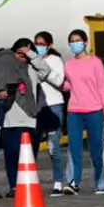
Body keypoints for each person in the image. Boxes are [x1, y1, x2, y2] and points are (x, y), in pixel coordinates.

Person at [0, 38, 57, 198]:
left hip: (29, 121)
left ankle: (28, 185)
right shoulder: (4, 72)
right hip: (9, 121)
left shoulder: (32, 71)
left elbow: (46, 70)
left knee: (28, 157)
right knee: (11, 156)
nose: (23, 56)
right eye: (20, 52)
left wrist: (29, 52)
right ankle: (14, 186)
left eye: (26, 53)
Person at [62, 28, 104, 195]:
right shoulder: (68, 64)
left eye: (77, 40)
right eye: (72, 41)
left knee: (96, 150)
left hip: (94, 110)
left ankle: (100, 182)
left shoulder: (96, 62)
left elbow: (103, 87)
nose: (74, 44)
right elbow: (68, 85)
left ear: (85, 42)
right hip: (74, 111)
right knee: (74, 149)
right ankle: (73, 182)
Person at [34, 31, 70, 196]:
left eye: (42, 44)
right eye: (36, 44)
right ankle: (30, 182)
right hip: (37, 108)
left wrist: (42, 69)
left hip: (54, 105)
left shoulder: (55, 61)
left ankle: (58, 183)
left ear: (49, 46)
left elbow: (59, 81)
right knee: (31, 146)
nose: (38, 47)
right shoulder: (32, 61)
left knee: (53, 147)